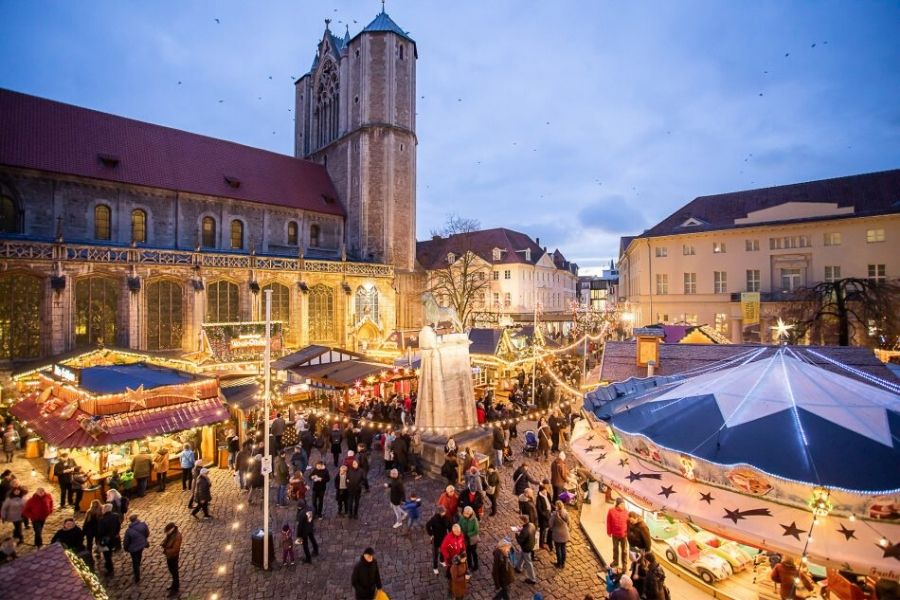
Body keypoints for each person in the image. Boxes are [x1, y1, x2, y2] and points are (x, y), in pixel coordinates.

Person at [123, 513, 150, 583]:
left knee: (134, 561)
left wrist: (125, 548)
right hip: (141, 545)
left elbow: (126, 541)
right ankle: (137, 565)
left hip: (133, 549)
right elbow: (147, 533)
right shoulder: (143, 525)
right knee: (139, 556)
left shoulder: (128, 531)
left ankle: (137, 576)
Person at [97, 503, 122, 575]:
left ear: (105, 509)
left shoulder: (102, 519)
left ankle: (110, 569)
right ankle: (108, 565)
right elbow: (118, 526)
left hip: (105, 540)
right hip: (113, 538)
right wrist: (116, 533)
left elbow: (100, 531)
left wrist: (99, 539)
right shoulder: (116, 516)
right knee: (110, 551)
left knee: (106, 554)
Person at [514, 514, 537, 585]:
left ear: (523, 521)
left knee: (528, 562)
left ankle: (532, 579)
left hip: (526, 547)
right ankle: (518, 567)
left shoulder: (525, 531)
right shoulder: (532, 525)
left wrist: (517, 535)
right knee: (522, 555)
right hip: (531, 544)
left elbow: (520, 540)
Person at [427, 506, 450, 575]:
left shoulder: (445, 517)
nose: (444, 513)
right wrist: (431, 534)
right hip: (436, 538)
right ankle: (435, 567)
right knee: (435, 554)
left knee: (443, 550)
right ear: (439, 512)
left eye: (444, 511)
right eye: (443, 512)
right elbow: (427, 525)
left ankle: (442, 560)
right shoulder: (434, 519)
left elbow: (448, 525)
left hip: (444, 537)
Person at [607, 497, 629, 569]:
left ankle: (624, 564)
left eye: (624, 504)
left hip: (623, 534)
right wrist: (609, 531)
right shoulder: (611, 511)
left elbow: (628, 523)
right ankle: (615, 561)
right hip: (615, 534)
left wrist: (627, 532)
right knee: (615, 548)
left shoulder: (626, 512)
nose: (623, 506)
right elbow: (609, 522)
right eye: (621, 504)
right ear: (617, 504)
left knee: (624, 550)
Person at [458, 505, 481, 573]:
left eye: (467, 513)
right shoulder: (462, 517)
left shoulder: (474, 520)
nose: (466, 514)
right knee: (467, 552)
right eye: (465, 513)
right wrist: (461, 532)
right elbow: (459, 525)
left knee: (473, 552)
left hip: (472, 539)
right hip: (465, 538)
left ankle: (476, 565)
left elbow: (476, 530)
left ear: (471, 513)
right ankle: (470, 565)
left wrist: (468, 534)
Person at [161, 522, 182, 595]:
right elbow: (167, 539)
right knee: (171, 570)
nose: (166, 533)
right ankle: (174, 584)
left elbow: (175, 549)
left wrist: (166, 551)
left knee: (174, 572)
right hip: (169, 556)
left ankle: (175, 588)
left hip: (173, 556)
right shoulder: (171, 534)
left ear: (172, 529)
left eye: (167, 531)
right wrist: (163, 543)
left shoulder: (177, 536)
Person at [549, 500, 570, 568]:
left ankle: (559, 563)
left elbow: (550, 524)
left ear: (557, 506)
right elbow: (568, 522)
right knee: (563, 548)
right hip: (564, 533)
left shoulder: (554, 515)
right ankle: (563, 563)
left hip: (557, 534)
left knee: (558, 549)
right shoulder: (566, 513)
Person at [536, 481, 553, 551]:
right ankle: (541, 543)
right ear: (541, 490)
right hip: (544, 517)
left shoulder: (547, 494)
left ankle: (547, 541)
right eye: (544, 490)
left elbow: (550, 502)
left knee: (548, 529)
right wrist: (546, 515)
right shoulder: (539, 498)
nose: (546, 491)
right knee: (543, 531)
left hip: (549, 514)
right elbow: (539, 509)